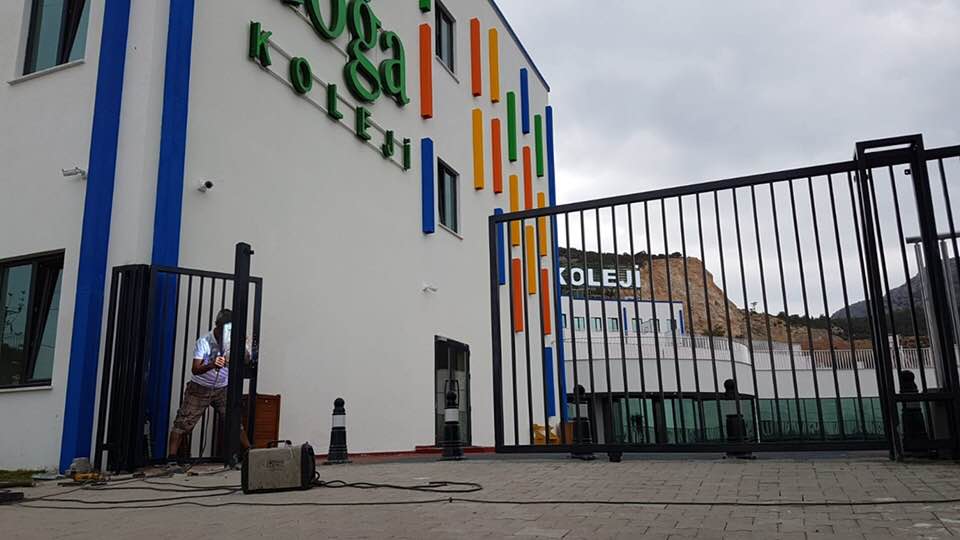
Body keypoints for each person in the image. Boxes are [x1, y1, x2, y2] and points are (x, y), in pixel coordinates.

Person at [167, 308, 250, 465]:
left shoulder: (234, 341)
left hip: (223, 388)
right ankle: (171, 458)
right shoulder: (204, 341)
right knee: (183, 422)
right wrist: (212, 364)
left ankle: (250, 453)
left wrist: (245, 346)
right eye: (225, 329)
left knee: (234, 421)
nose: (228, 333)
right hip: (200, 388)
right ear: (217, 326)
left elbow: (246, 360)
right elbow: (195, 369)